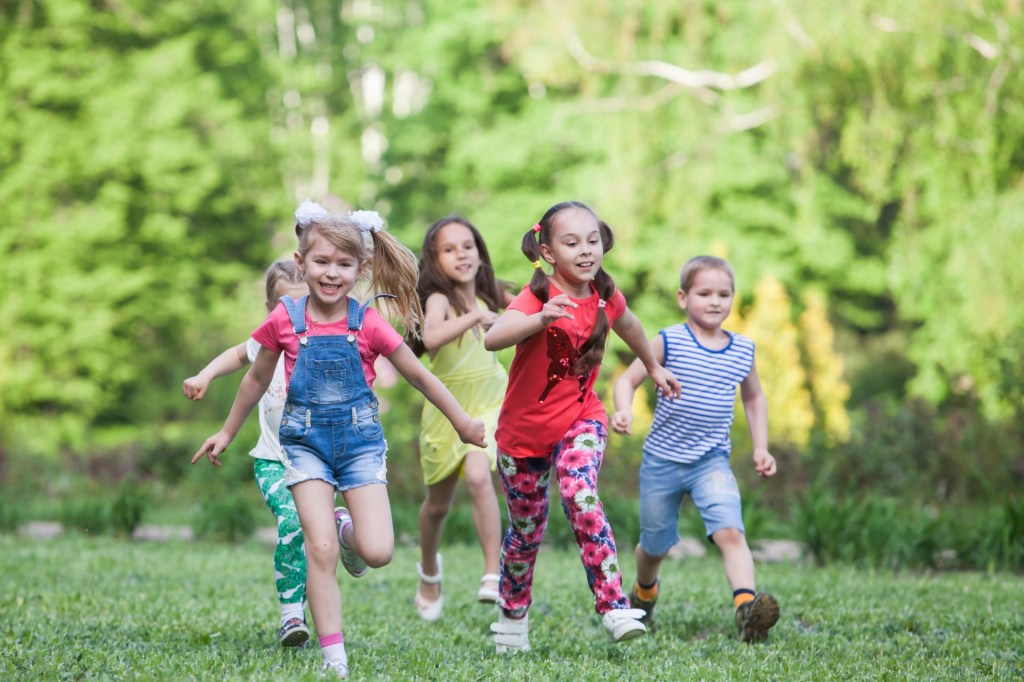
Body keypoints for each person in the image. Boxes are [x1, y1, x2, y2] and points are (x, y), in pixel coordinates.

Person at [193, 206, 487, 679]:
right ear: (301, 261)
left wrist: (462, 423)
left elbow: (419, 376)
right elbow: (254, 379)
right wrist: (227, 431)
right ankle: (335, 657)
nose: (332, 273)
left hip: (359, 448)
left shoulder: (367, 323)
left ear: (361, 269)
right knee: (320, 548)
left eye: (344, 264)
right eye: (322, 261)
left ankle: (346, 528)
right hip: (304, 444)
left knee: (378, 552)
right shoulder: (284, 319)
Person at [482, 200, 681, 652]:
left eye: (593, 240)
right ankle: (512, 618)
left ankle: (613, 606)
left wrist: (651, 366)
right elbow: (494, 336)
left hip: (581, 417)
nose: (586, 250)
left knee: (579, 491)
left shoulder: (606, 294)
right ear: (548, 252)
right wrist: (540, 318)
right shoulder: (537, 294)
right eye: (572, 242)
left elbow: (629, 325)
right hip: (521, 436)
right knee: (526, 532)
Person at [611, 255, 780, 643]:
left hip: (711, 462)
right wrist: (623, 410)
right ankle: (644, 593)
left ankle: (746, 611)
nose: (715, 301)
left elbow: (754, 399)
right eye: (705, 293)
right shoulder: (668, 340)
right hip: (661, 460)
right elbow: (628, 379)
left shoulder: (742, 349)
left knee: (731, 533)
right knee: (653, 547)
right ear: (683, 297)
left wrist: (761, 447)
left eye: (724, 293)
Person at [183, 260, 311, 647]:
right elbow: (238, 357)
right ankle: (291, 615)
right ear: (270, 308)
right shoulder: (269, 338)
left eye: (301, 304)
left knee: (317, 537)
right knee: (293, 524)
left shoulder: (323, 339)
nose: (292, 313)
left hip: (318, 462)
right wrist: (204, 375)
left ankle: (346, 533)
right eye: (283, 305)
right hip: (272, 461)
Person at [407, 215, 512, 621]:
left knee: (478, 474)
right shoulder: (439, 300)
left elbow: (530, 309)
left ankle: (492, 572)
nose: (461, 254)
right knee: (436, 507)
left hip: (489, 405)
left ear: (480, 251)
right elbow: (430, 337)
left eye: (467, 245)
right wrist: (473, 318)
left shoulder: (491, 296)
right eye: (448, 249)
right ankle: (429, 569)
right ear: (435, 260)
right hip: (446, 411)